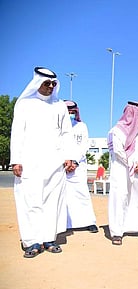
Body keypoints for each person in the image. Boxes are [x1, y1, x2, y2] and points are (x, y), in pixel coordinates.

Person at [10, 66, 75, 258]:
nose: (50, 87)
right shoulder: (24, 104)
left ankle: (48, 238)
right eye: (46, 83)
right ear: (38, 83)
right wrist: (16, 160)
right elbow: (17, 133)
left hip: (55, 162)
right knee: (30, 201)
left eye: (53, 84)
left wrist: (69, 156)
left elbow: (66, 133)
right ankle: (31, 241)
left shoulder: (59, 106)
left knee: (52, 201)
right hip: (30, 161)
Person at [107, 101, 138, 245]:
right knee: (120, 198)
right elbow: (117, 151)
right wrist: (131, 164)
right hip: (121, 169)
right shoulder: (116, 131)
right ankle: (117, 232)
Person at [64, 100, 98, 233]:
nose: (71, 114)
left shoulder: (81, 126)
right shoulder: (58, 128)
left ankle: (89, 222)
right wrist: (65, 162)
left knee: (82, 193)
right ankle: (65, 223)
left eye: (73, 112)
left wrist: (75, 161)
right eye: (68, 112)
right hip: (63, 167)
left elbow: (84, 145)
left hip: (78, 166)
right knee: (64, 195)